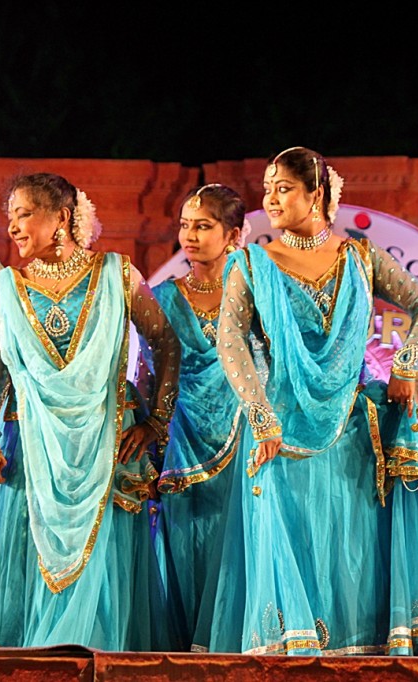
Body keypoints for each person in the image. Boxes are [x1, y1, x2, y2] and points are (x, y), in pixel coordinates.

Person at [199, 146, 418, 656]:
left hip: (352, 431)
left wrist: (407, 364)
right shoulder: (251, 262)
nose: (271, 199)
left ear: (316, 193)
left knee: (353, 553)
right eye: (267, 189)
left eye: (284, 188)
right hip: (278, 433)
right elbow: (230, 338)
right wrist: (260, 416)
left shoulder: (360, 257)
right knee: (290, 551)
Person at [0, 172, 180, 651]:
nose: (13, 228)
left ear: (60, 217)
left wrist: (155, 422)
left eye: (24, 214)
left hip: (106, 448)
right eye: (9, 217)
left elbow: (166, 343)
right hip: (26, 452)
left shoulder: (117, 275)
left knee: (105, 578)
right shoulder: (8, 285)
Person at [146, 184, 247, 649]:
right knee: (185, 542)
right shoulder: (162, 297)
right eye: (185, 225)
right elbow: (146, 372)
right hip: (180, 436)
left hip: (243, 433)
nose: (190, 235)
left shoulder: (253, 291)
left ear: (233, 234)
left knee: (237, 543)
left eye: (203, 226)